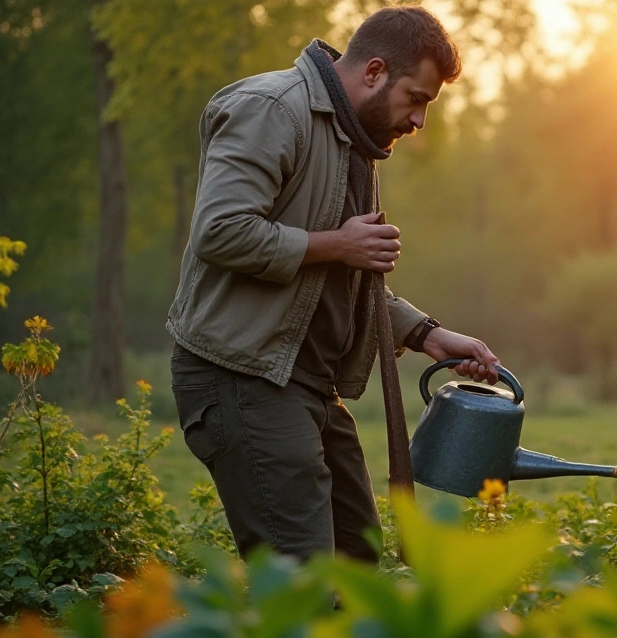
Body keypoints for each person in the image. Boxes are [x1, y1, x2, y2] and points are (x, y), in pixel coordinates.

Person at [166, 6, 499, 564]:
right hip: (243, 376)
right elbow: (220, 232)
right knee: (304, 580)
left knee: (358, 566)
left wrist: (425, 335)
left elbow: (332, 278)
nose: (419, 122)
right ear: (373, 72)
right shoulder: (271, 109)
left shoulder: (352, 141)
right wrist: (337, 245)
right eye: (416, 99)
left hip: (306, 385)